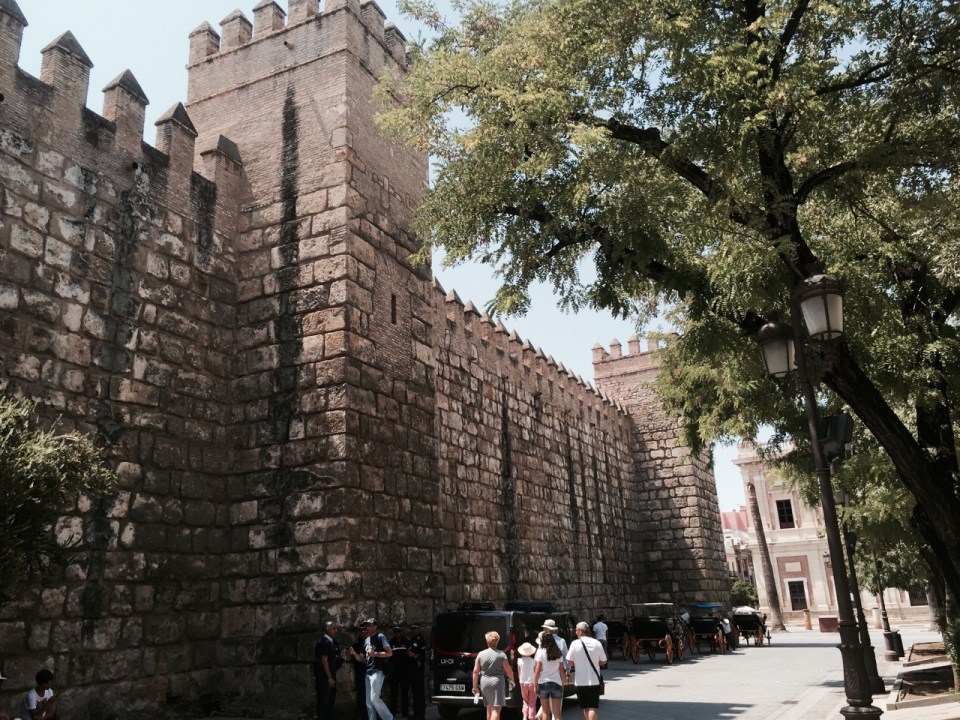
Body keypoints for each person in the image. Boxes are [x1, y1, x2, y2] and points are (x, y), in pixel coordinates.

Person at [566, 622, 607, 720]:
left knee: (585, 707)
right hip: (594, 680)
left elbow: (569, 662)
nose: (575, 632)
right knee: (593, 707)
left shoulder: (575, 643)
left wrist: (578, 663)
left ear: (580, 631)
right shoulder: (596, 643)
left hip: (581, 681)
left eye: (576, 629)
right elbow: (603, 661)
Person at [471, 630, 516, 720]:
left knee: (489, 709)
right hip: (497, 683)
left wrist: (475, 686)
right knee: (496, 709)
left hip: (484, 682)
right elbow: (509, 671)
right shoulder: (501, 654)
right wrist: (512, 680)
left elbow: (475, 671)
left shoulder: (480, 654)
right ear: (497, 641)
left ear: (487, 642)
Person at [363, 618, 394, 720]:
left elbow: (389, 653)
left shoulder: (380, 637)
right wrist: (354, 654)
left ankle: (389, 718)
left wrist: (375, 654)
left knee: (374, 699)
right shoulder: (366, 640)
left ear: (375, 626)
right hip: (368, 672)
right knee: (369, 703)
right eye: (366, 625)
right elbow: (365, 657)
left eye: (369, 625)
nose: (367, 627)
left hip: (377, 671)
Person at [533, 633, 567, 720]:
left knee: (545, 712)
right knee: (557, 714)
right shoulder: (558, 652)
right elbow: (561, 669)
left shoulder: (540, 652)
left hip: (543, 683)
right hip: (556, 682)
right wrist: (563, 682)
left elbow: (537, 669)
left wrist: (535, 684)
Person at [315, 621, 342, 720]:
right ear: (328, 629)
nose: (336, 631)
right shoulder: (325, 642)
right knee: (324, 702)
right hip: (325, 678)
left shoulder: (331, 643)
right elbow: (324, 660)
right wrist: (329, 677)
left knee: (330, 702)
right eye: (334, 628)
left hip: (329, 677)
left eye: (336, 628)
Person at [406, 623, 427, 720]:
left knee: (419, 691)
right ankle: (416, 713)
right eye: (412, 629)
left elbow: (417, 655)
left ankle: (420, 714)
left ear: (419, 629)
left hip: (418, 669)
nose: (413, 630)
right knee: (415, 691)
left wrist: (412, 654)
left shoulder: (420, 640)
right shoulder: (412, 640)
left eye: (415, 629)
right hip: (412, 669)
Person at [387, 625, 409, 717]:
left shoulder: (406, 642)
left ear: (401, 632)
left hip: (404, 671)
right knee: (394, 693)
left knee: (405, 693)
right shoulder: (390, 643)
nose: (397, 633)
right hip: (394, 672)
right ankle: (393, 713)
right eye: (395, 632)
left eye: (398, 631)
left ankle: (405, 713)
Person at [349, 628, 370, 720]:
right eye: (362, 631)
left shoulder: (370, 643)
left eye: (366, 631)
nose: (364, 633)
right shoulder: (356, 645)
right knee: (361, 695)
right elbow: (357, 659)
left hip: (370, 673)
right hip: (360, 673)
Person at [517, 642, 538, 720]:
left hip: (523, 682)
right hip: (532, 682)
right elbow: (535, 672)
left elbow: (519, 672)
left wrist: (520, 681)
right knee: (532, 701)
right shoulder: (534, 661)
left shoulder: (519, 661)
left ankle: (524, 717)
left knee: (525, 701)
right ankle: (531, 717)